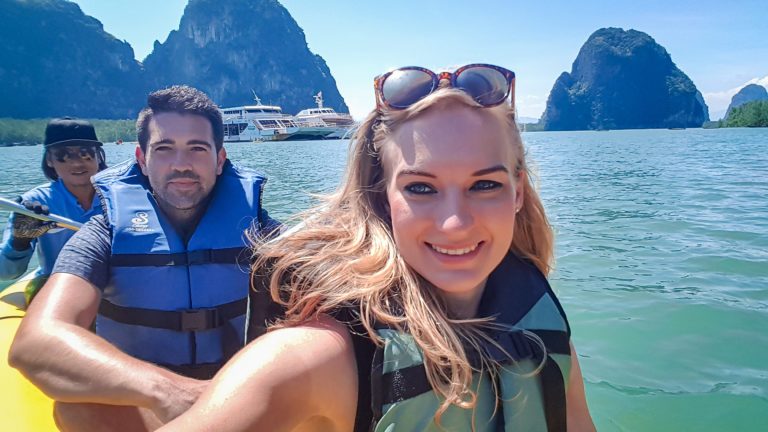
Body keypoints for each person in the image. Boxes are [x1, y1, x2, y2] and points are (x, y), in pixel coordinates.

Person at [159, 64, 596, 431]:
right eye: (421, 188)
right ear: (382, 195)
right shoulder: (321, 357)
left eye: (485, 184)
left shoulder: (538, 326)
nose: (455, 223)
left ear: (518, 191)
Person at [9, 85, 280, 431]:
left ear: (220, 159)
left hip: (237, 399)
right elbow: (34, 344)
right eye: (164, 149)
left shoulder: (261, 229)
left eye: (197, 149)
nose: (181, 164)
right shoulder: (102, 234)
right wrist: (172, 393)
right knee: (77, 409)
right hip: (145, 402)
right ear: (142, 158)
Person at [0, 117, 107, 301]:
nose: (76, 163)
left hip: (112, 288)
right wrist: (20, 242)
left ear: (98, 155)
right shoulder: (32, 203)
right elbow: (7, 273)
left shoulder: (120, 197)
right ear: (49, 159)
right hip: (58, 287)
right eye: (63, 155)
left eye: (85, 153)